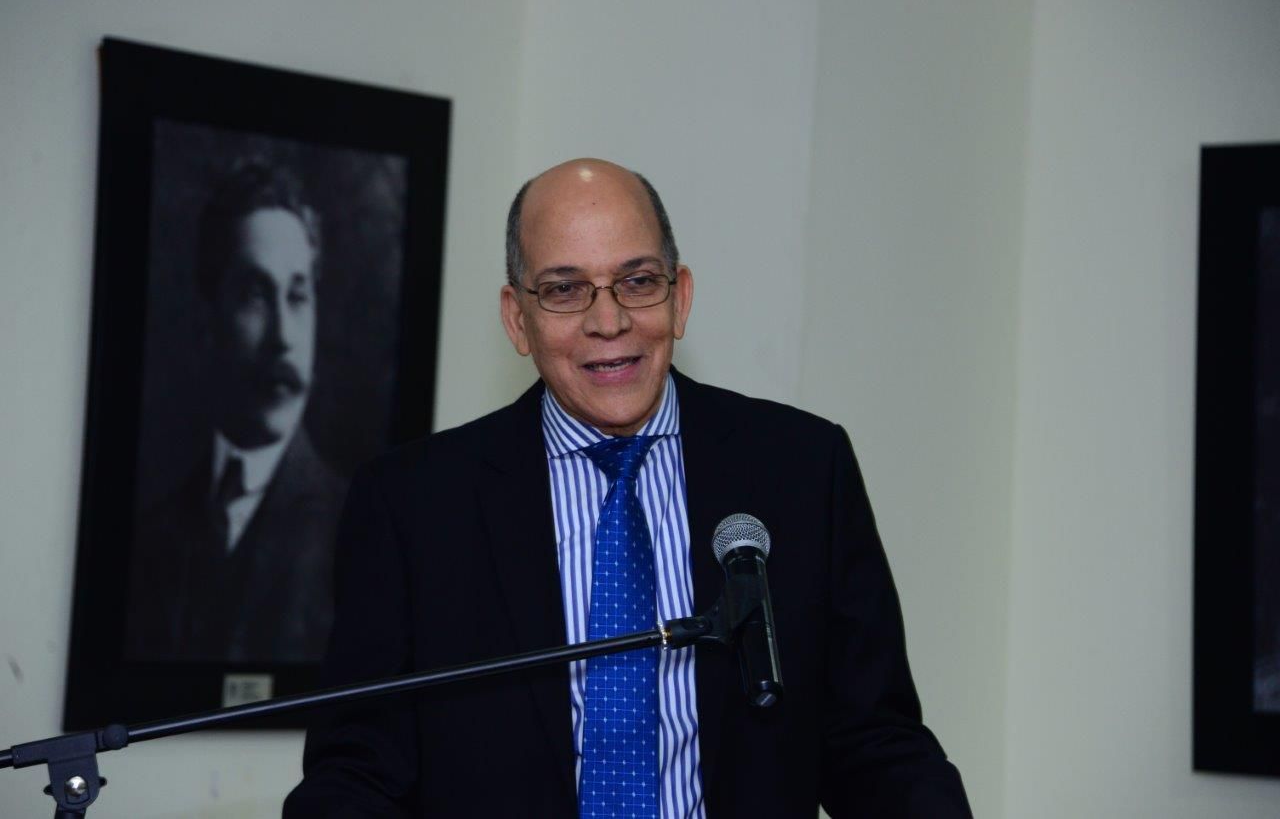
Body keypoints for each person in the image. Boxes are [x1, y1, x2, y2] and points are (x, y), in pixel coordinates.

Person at [284, 159, 971, 816]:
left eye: (638, 281)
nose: (608, 322)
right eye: (564, 288)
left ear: (682, 297)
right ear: (517, 318)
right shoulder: (412, 504)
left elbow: (875, 747)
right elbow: (355, 775)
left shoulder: (800, 469)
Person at [126, 159, 343, 663]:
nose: (283, 337)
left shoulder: (358, 527)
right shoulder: (152, 533)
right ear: (209, 319)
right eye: (254, 295)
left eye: (297, 295)